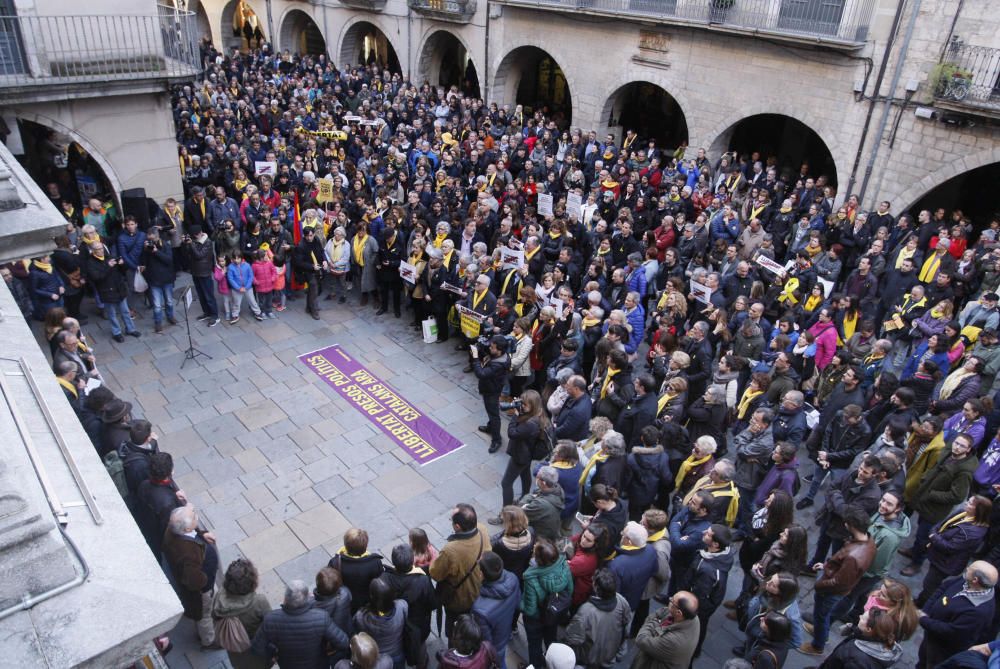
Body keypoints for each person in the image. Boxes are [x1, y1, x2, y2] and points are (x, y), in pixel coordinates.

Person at [800, 505, 876, 656]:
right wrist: (827, 565)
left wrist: (819, 585)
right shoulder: (868, 541)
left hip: (830, 591)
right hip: (834, 582)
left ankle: (818, 645)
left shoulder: (854, 556)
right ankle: (820, 631)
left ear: (851, 525)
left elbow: (838, 582)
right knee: (822, 616)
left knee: (822, 615)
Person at [901, 431, 979, 575]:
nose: (957, 447)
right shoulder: (949, 453)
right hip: (925, 499)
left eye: (962, 446)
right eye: (956, 443)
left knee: (924, 537)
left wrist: (932, 494)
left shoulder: (964, 471)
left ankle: (917, 564)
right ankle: (914, 552)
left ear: (968, 449)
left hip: (934, 508)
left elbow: (957, 496)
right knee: (920, 531)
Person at [251, 579, 350, 669]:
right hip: (318, 664)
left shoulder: (271, 619)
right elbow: (344, 642)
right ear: (308, 597)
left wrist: (274, 652)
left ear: (285, 599)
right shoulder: (321, 617)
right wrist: (328, 650)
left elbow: (257, 648)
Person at [918, 561, 998, 668]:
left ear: (975, 580)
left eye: (970, 568)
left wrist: (923, 619)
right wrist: (925, 611)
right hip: (931, 634)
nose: (967, 568)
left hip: (941, 650)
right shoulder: (967, 580)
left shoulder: (978, 612)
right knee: (922, 660)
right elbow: (943, 588)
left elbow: (951, 632)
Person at [429, 504, 492, 639]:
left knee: (455, 631)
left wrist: (433, 558)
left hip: (460, 600)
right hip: (480, 592)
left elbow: (435, 573)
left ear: (457, 527)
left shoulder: (451, 550)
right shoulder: (482, 529)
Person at [162, 505, 219, 648]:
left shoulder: (173, 529)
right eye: (193, 517)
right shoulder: (187, 554)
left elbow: (191, 533)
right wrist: (206, 580)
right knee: (204, 616)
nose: (195, 514)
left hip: (198, 581)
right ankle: (208, 641)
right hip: (202, 592)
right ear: (187, 529)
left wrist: (202, 534)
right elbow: (195, 581)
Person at [677, 522, 735, 661]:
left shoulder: (708, 571)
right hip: (707, 602)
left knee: (696, 627)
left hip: (699, 605)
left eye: (708, 534)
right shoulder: (719, 555)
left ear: (715, 545)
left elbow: (698, 596)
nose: (704, 533)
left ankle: (691, 651)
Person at [520, 539, 573, 669]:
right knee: (551, 638)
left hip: (537, 619)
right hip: (555, 612)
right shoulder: (564, 565)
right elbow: (570, 590)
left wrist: (520, 605)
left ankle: (536, 665)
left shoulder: (531, 577)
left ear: (538, 559)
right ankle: (553, 661)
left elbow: (530, 609)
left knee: (534, 645)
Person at [381, 545, 436, 669]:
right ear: (412, 561)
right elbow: (432, 603)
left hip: (395, 625)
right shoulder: (423, 580)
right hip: (418, 624)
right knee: (420, 646)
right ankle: (421, 664)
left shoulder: (385, 578)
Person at [211, 558, 272, 669]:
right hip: (255, 646)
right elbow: (270, 623)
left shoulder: (220, 596)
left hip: (233, 645)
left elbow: (214, 616)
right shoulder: (259, 602)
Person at [564, 568, 631, 669]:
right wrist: (621, 650)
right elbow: (626, 627)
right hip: (610, 655)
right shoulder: (621, 601)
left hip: (590, 659)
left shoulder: (586, 611)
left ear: (596, 588)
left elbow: (573, 639)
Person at [494, 389, 546, 513]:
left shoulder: (530, 424)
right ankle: (525, 496)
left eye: (524, 404)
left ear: (532, 406)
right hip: (527, 453)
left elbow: (512, 433)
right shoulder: (538, 413)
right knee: (524, 473)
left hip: (521, 455)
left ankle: (506, 512)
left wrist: (516, 415)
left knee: (506, 483)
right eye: (521, 402)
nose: (521, 406)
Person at [470, 552, 520, 669]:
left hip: (494, 646)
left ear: (482, 574)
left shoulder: (479, 609)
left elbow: (486, 642)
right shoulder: (513, 578)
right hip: (504, 634)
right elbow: (518, 604)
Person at [630, 591, 700, 669]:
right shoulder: (693, 617)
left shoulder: (673, 641)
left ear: (678, 613)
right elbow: (662, 611)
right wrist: (658, 623)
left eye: (671, 601)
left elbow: (641, 639)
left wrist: (655, 622)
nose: (669, 599)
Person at [353, 579, 408, 669]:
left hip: (375, 656)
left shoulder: (361, 616)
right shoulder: (402, 606)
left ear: (371, 597)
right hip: (397, 653)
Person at [329, 528, 386, 614]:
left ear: (345, 545)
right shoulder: (375, 562)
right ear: (365, 546)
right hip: (367, 601)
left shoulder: (335, 562)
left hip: (347, 601)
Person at [471, 335, 510, 454]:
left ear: (500, 350)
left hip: (491, 390)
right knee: (490, 411)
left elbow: (481, 373)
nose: (490, 349)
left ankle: (497, 439)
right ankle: (490, 427)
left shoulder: (498, 365)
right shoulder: (500, 356)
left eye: (493, 348)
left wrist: (475, 357)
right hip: (491, 387)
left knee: (494, 414)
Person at [519, 466, 565, 543]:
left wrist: (530, 498)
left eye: (537, 477)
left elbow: (521, 510)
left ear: (543, 483)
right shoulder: (558, 489)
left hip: (540, 536)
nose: (536, 479)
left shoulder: (541, 504)